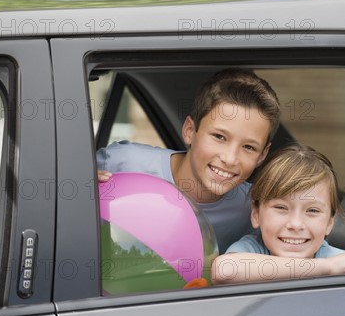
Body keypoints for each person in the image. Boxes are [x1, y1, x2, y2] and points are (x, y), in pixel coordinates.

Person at [96, 68, 280, 253]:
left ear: (262, 155)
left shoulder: (252, 208)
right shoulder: (122, 163)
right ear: (190, 131)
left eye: (249, 147)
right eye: (219, 137)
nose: (230, 159)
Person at [211, 144, 345, 285]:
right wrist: (327, 267)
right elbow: (225, 270)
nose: (296, 224)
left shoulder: (342, 260)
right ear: (255, 214)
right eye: (281, 208)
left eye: (313, 211)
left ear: (330, 222)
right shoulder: (252, 249)